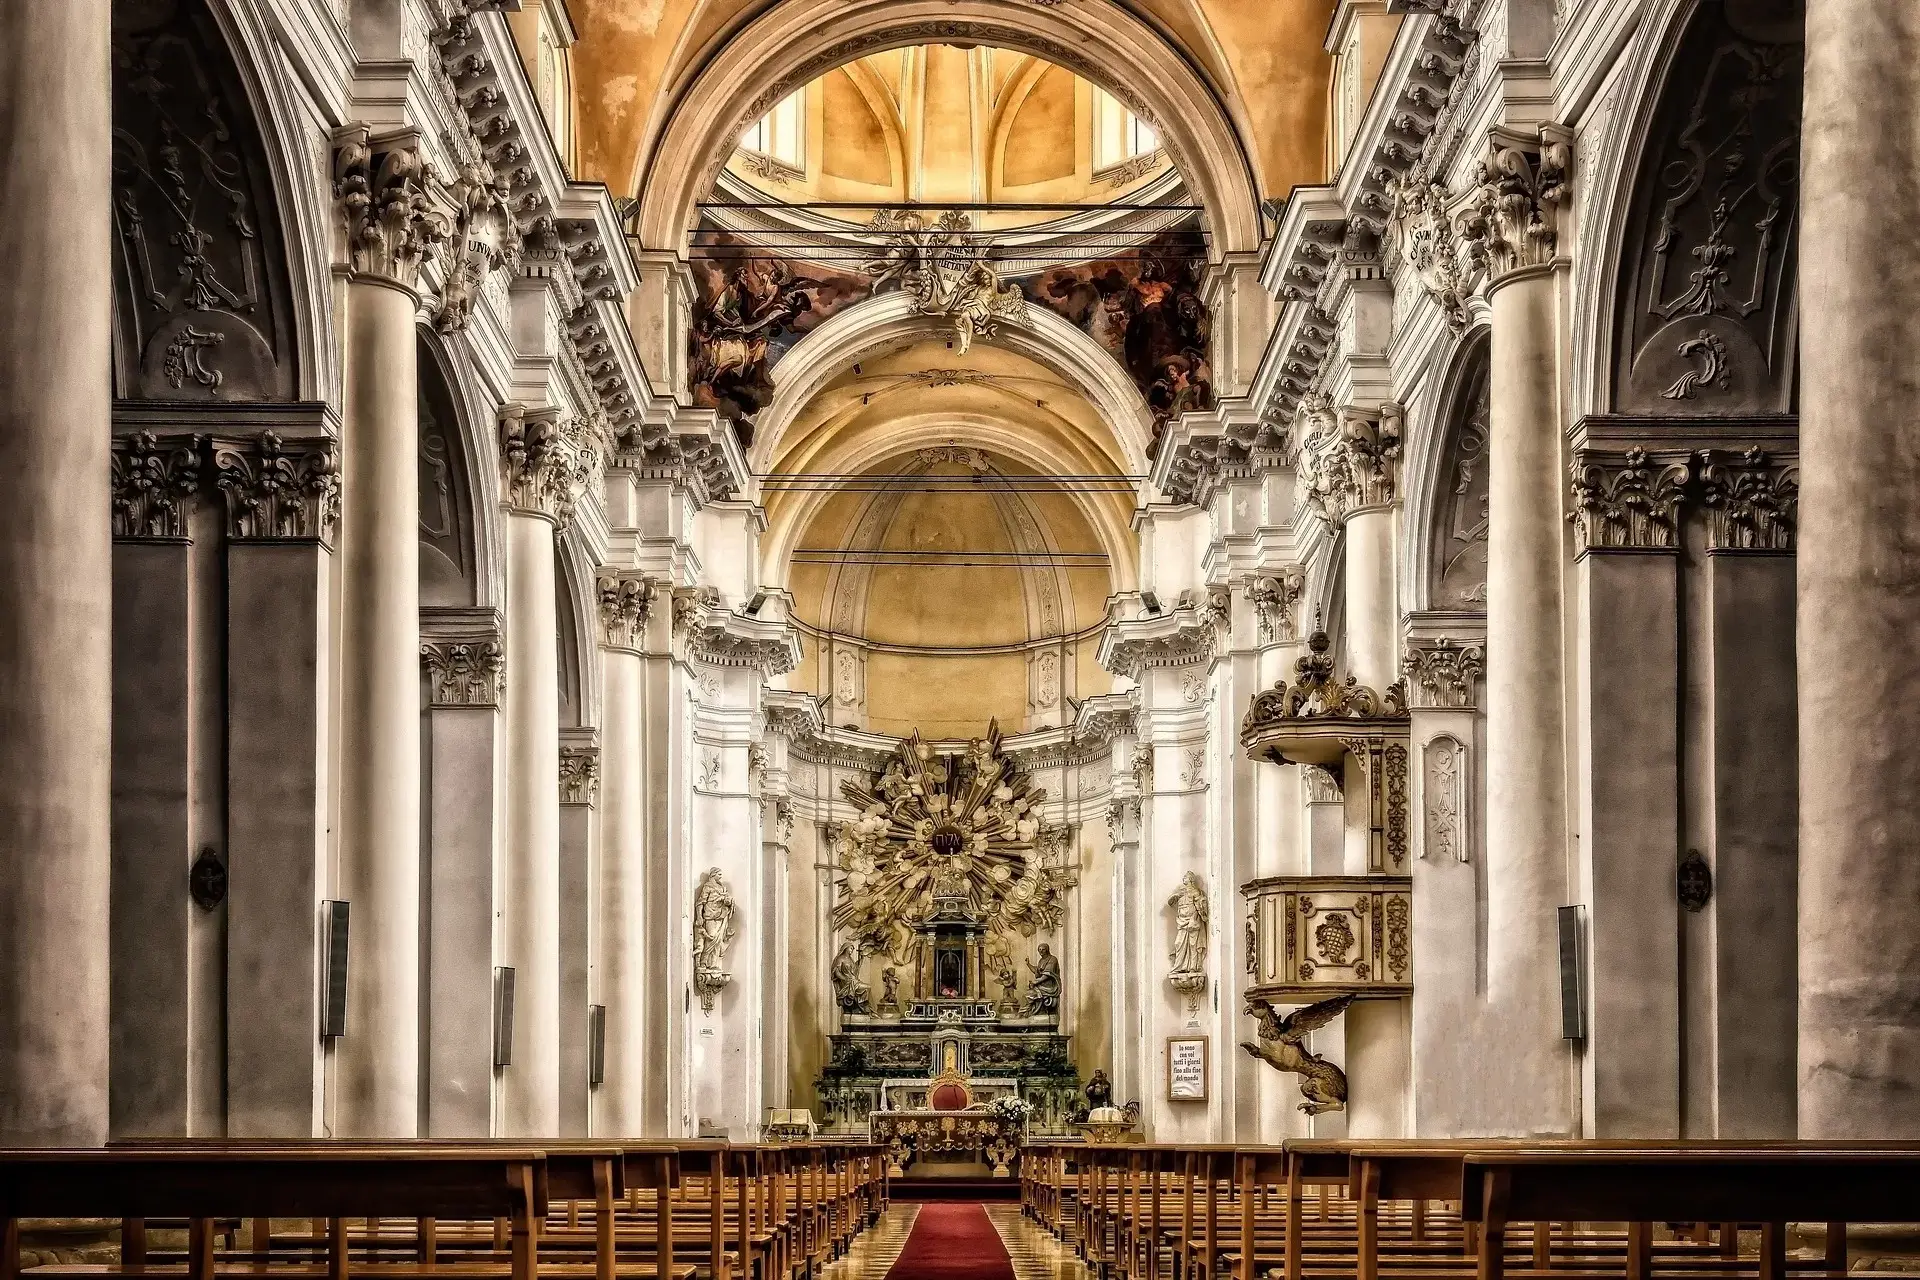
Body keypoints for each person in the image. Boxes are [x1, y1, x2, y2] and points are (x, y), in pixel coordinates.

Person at [1025, 942, 1062, 1016]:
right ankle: (1030, 1013)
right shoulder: (1041, 960)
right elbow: (1037, 971)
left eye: (1043, 949)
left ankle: (1030, 1012)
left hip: (1050, 987)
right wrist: (1028, 964)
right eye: (1039, 950)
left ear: (1047, 950)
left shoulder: (1052, 959)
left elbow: (1047, 975)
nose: (1041, 951)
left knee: (1029, 994)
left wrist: (1035, 982)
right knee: (1028, 993)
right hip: (1041, 986)